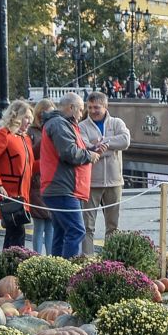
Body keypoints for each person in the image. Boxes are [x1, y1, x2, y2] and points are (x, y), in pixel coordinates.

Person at [37, 93, 95, 259]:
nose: (82, 114)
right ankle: (68, 272)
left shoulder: (59, 123)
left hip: (60, 186)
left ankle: (57, 270)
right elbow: (69, 153)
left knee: (61, 232)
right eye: (81, 110)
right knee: (77, 230)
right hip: (61, 187)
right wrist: (89, 156)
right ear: (71, 108)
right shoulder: (59, 124)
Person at [0, 101, 34, 250]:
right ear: (16, 116)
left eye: (30, 118)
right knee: (17, 236)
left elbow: (29, 167)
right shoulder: (4, 134)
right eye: (26, 117)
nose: (29, 122)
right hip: (10, 194)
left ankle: (8, 269)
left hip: (22, 195)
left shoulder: (25, 138)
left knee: (15, 236)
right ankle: (11, 269)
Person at [80, 92, 130, 244]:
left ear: (105, 106)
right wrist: (110, 148)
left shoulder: (117, 123)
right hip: (91, 183)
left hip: (114, 182)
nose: (93, 111)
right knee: (87, 227)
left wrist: (102, 142)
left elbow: (125, 141)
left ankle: (110, 262)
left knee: (113, 226)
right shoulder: (82, 126)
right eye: (90, 107)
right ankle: (87, 259)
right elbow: (85, 148)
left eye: (97, 107)